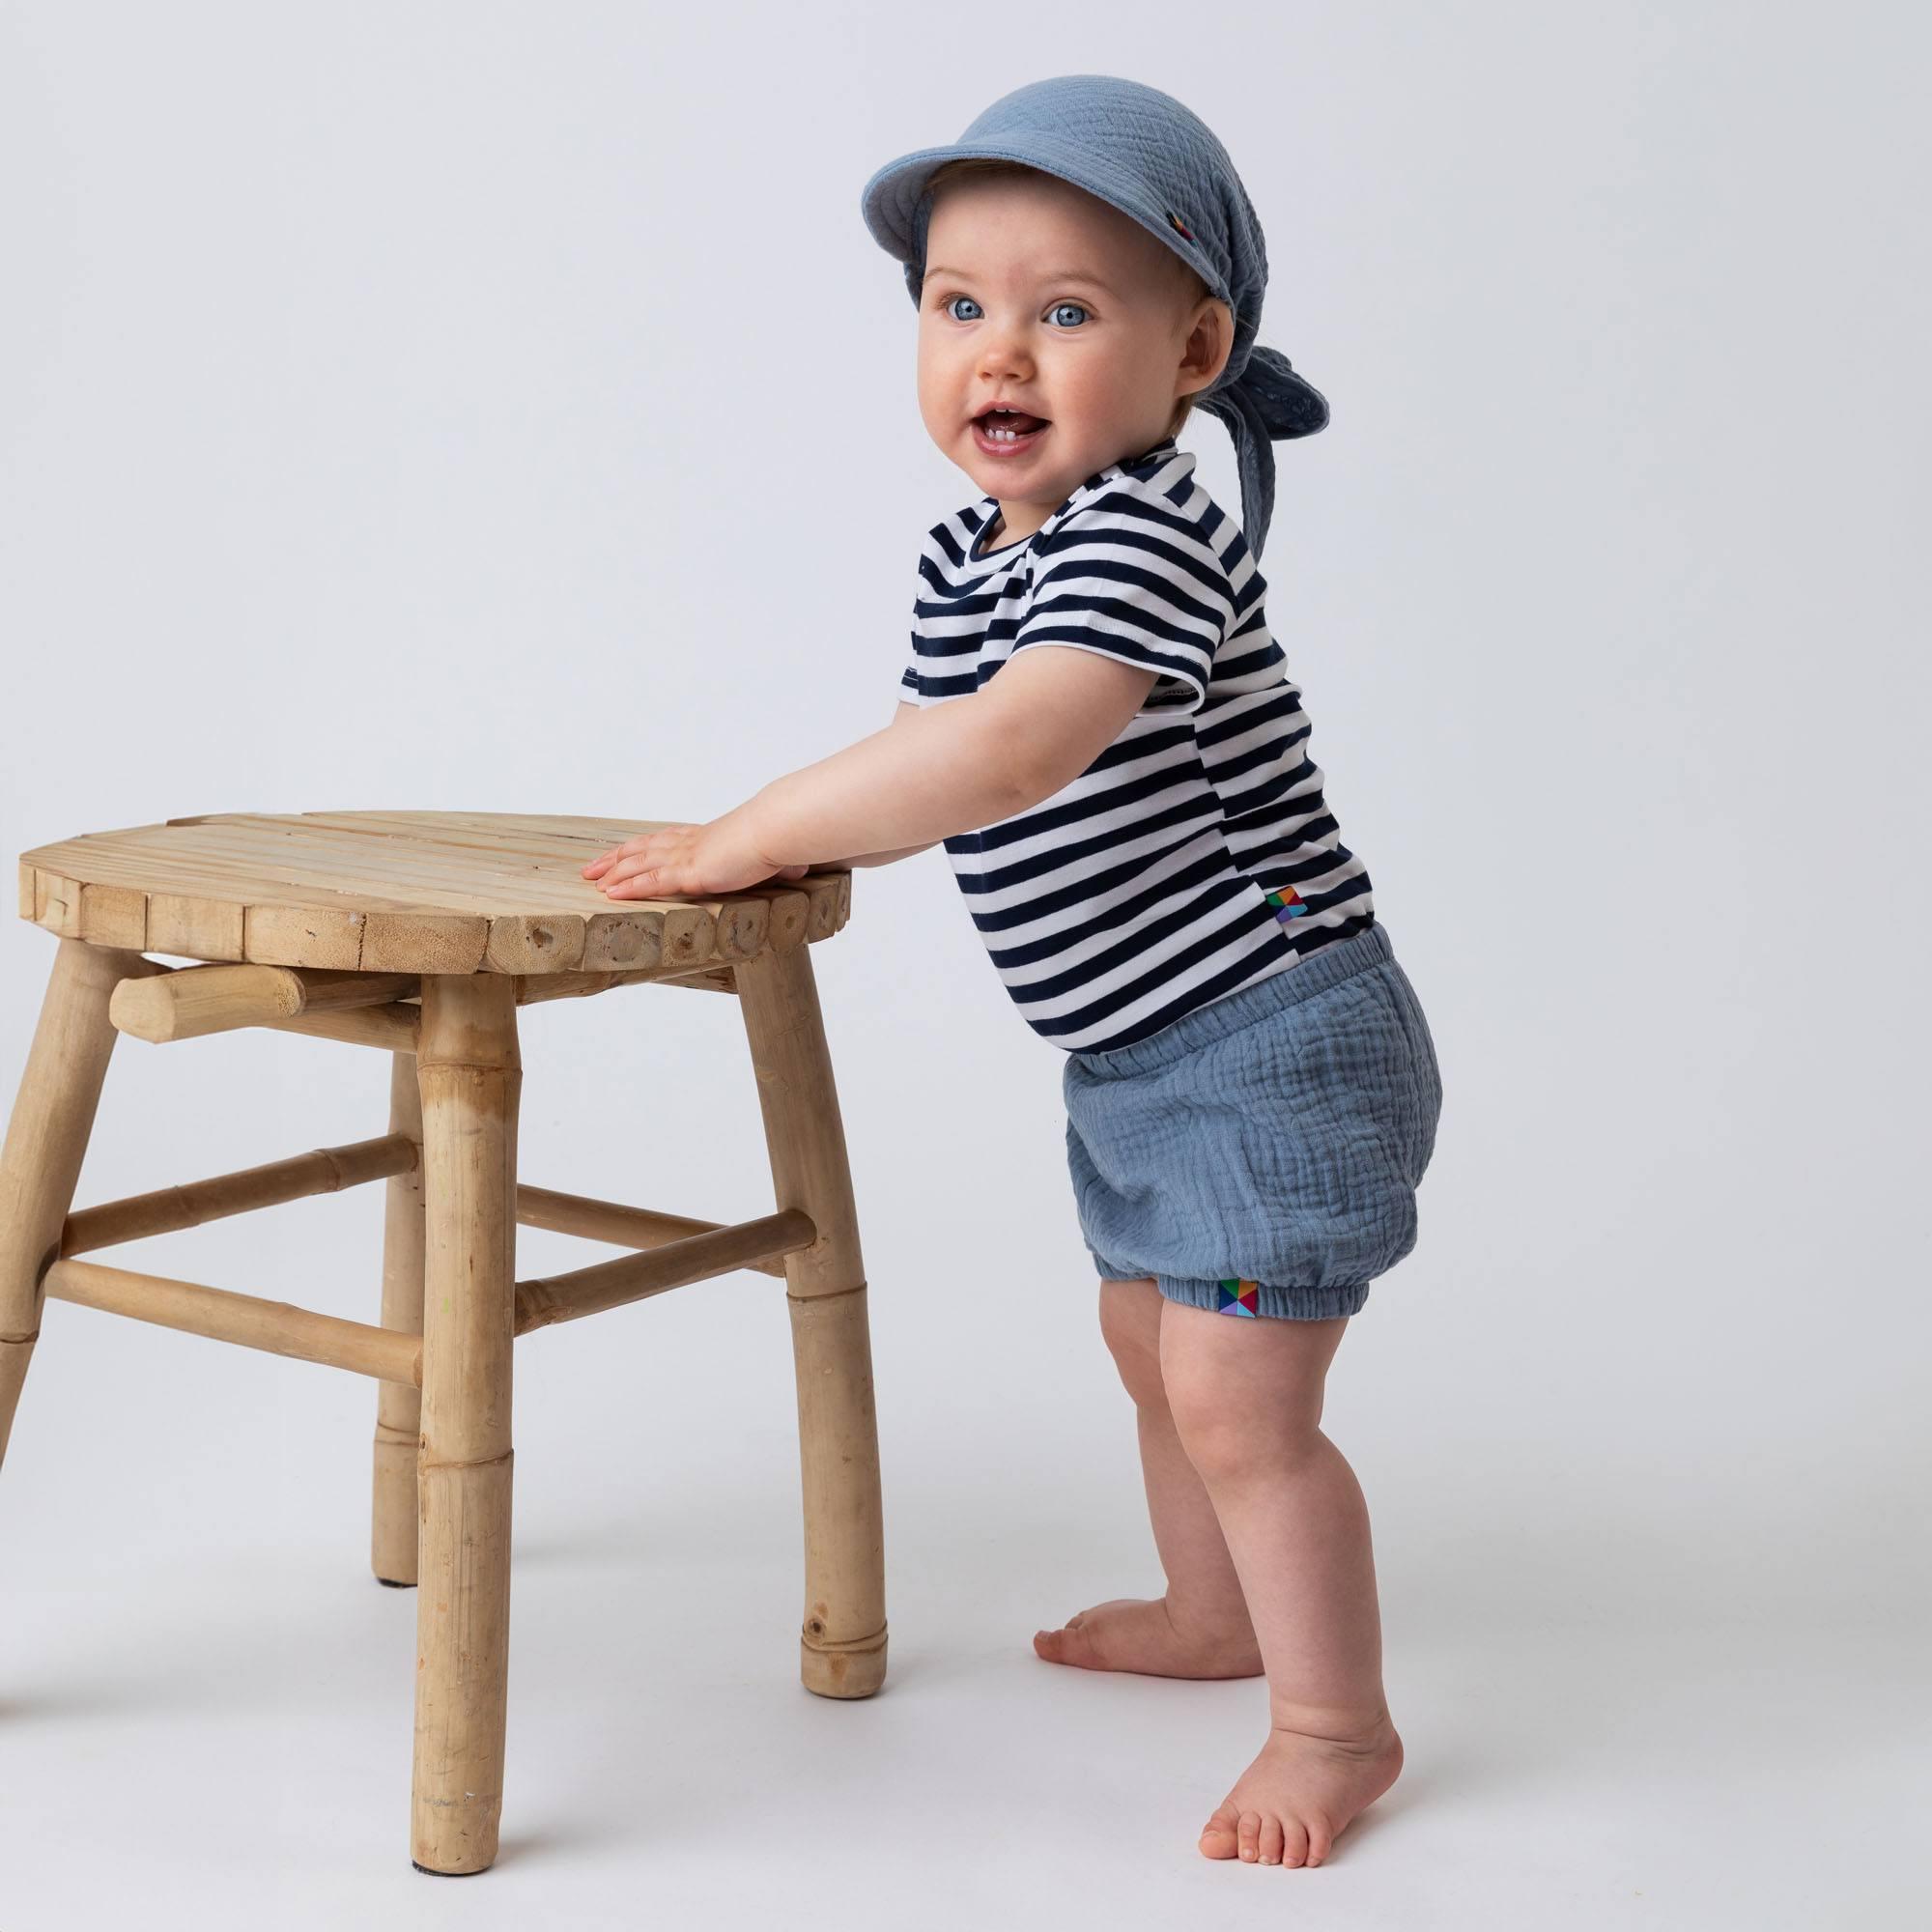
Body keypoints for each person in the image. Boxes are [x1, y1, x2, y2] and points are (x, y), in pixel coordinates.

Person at [581, 75, 1443, 1871]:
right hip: (1141, 1051)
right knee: (1153, 1347)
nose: (1002, 353)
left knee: (1237, 1397)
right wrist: (821, 824)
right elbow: (929, 738)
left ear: (1194, 349)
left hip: (1269, 1032)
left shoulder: (1142, 532)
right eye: (959, 305)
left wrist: (756, 826)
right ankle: (1214, 1622)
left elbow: (1006, 754)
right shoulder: (973, 549)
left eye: (1068, 312)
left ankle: (1334, 1724)